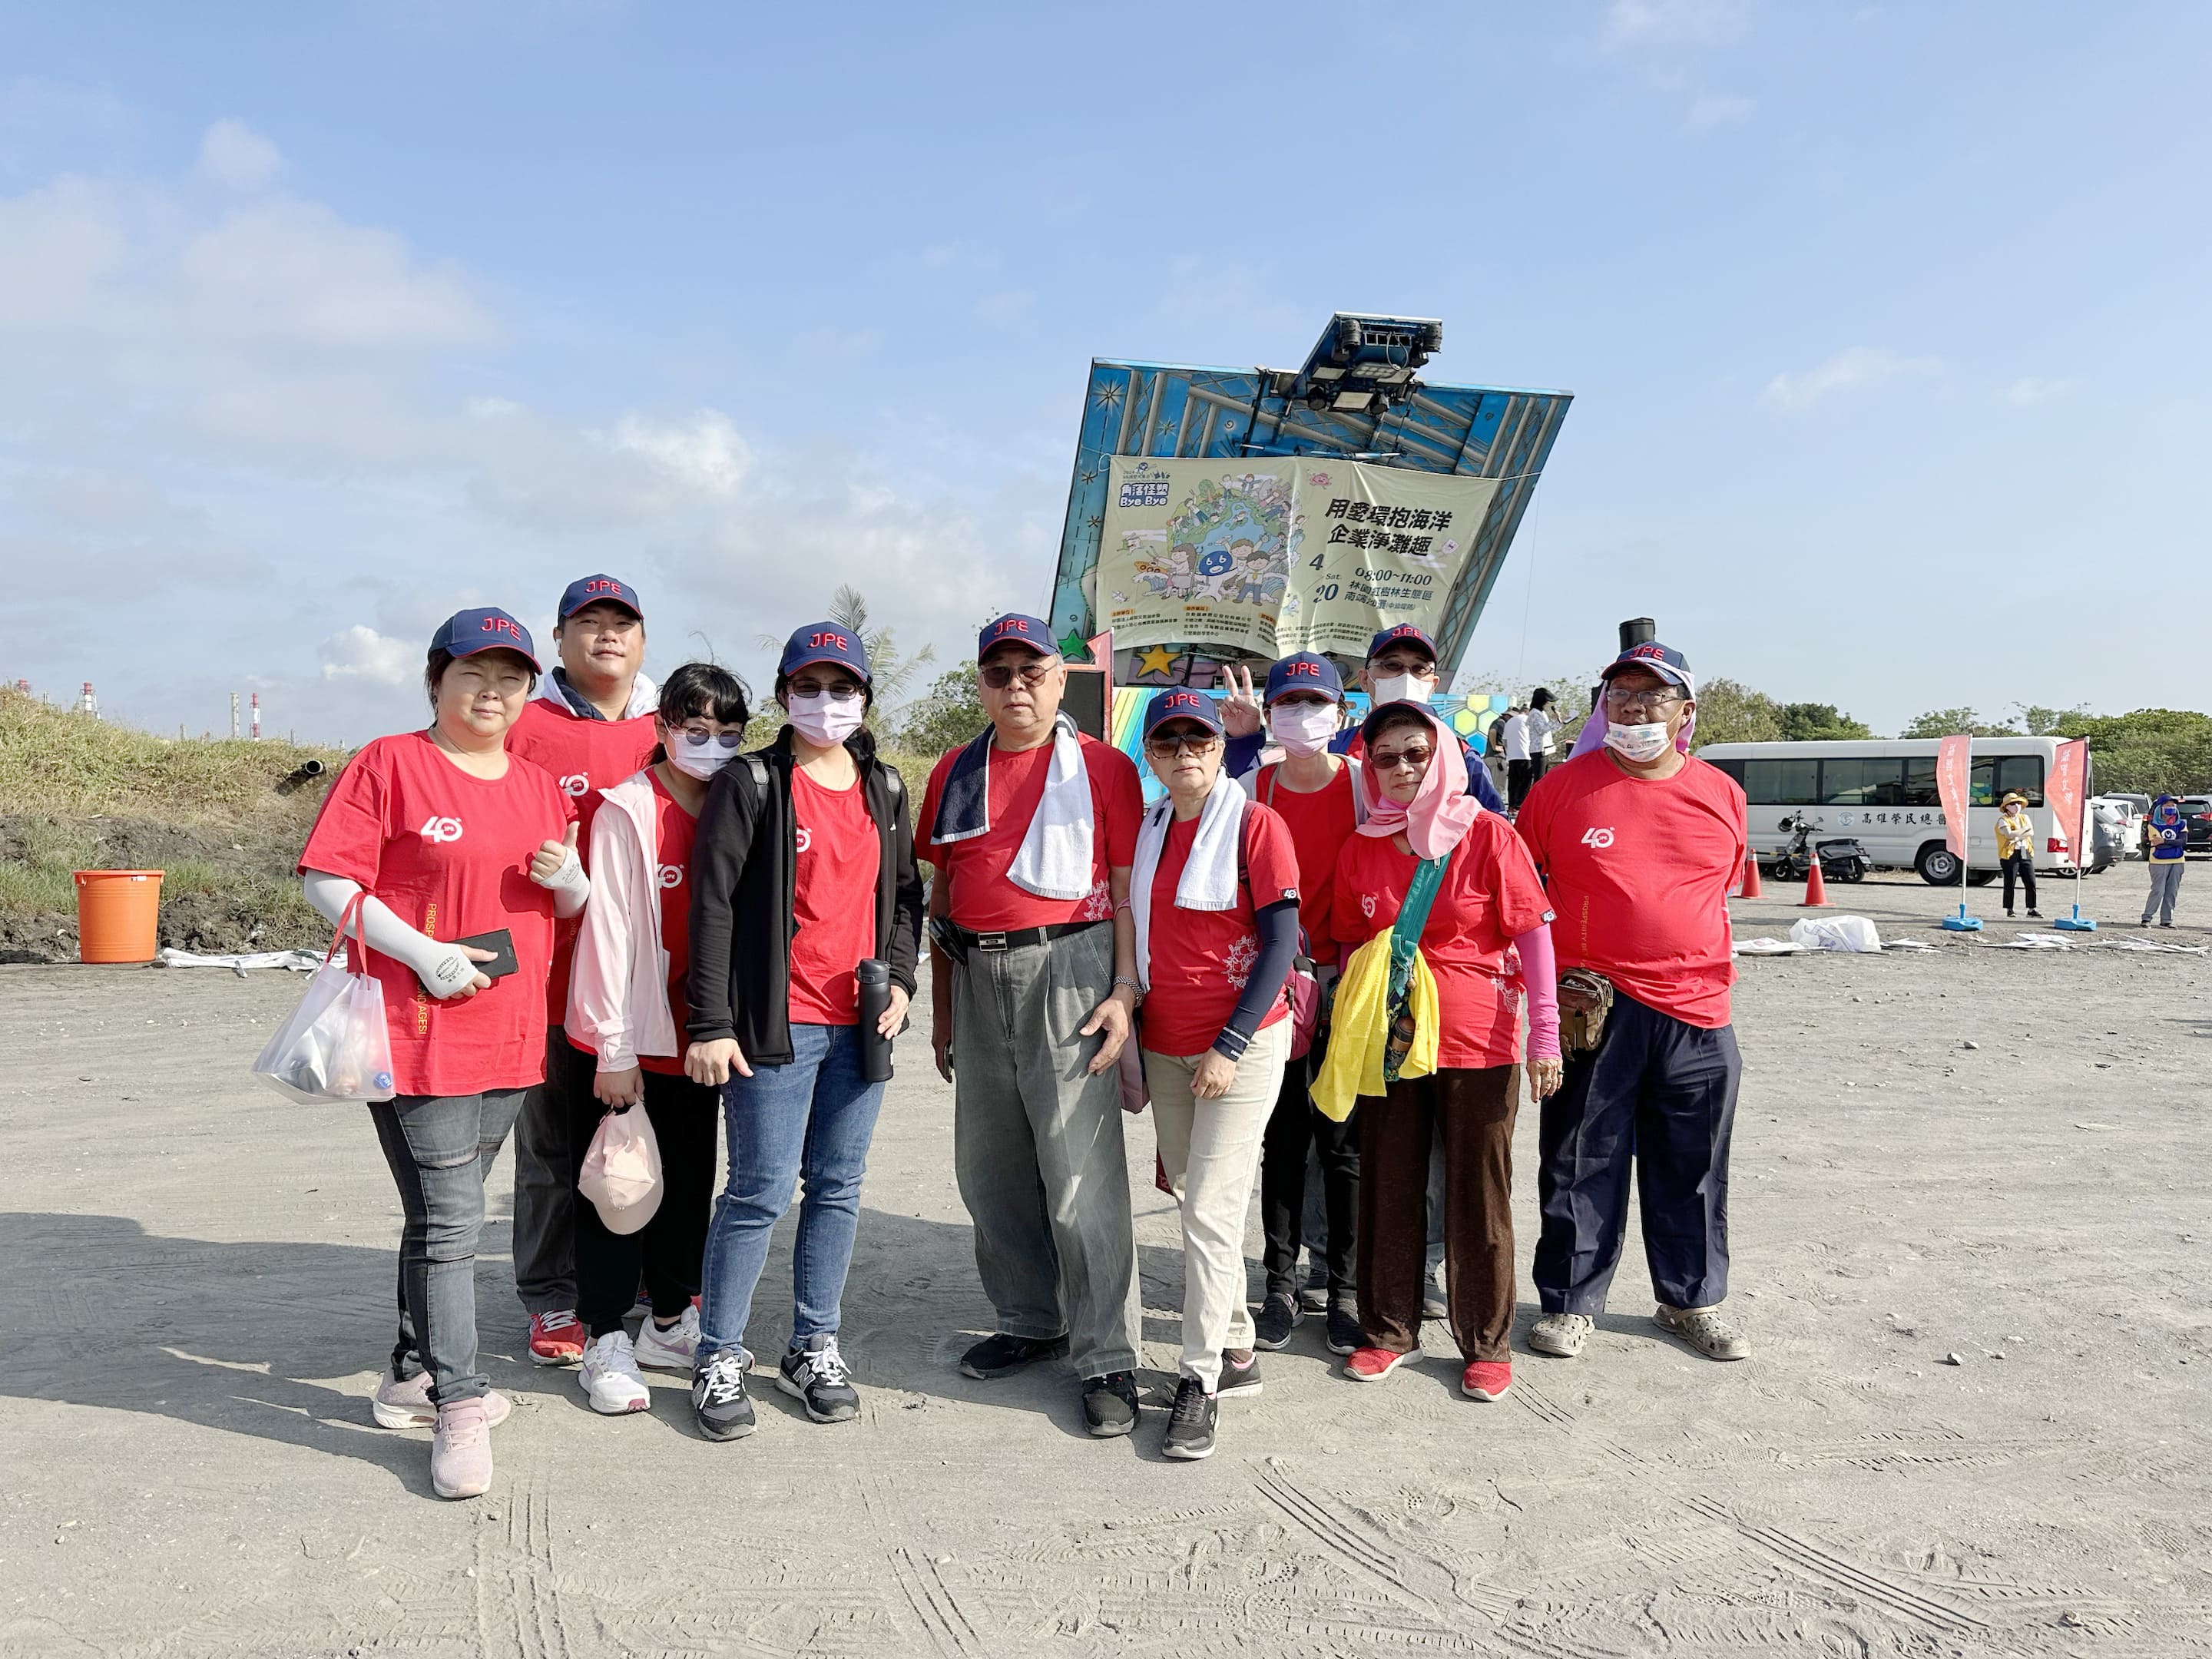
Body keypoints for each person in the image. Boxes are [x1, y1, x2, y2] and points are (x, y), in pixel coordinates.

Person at [298, 608, 588, 1500]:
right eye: (473, 674)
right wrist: (422, 952)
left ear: (530, 691)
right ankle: (459, 1404)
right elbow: (327, 877)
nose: (492, 692)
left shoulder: (543, 787)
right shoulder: (391, 764)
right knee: (456, 1225)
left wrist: (571, 883)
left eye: (510, 677)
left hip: (510, 1032)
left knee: (438, 1218)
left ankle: (409, 1374)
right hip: (417, 1031)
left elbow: (570, 906)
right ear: (437, 681)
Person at [683, 624, 925, 1439]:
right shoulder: (753, 782)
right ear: (785, 693)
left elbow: (905, 899)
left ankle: (813, 1343)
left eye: (844, 688)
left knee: (838, 1188)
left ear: (864, 698)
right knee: (756, 1191)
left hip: (859, 1024)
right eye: (811, 687)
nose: (829, 703)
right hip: (773, 1024)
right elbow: (711, 905)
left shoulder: (883, 787)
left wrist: (901, 981)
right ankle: (719, 1354)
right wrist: (712, 1022)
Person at [919, 614, 1148, 1438]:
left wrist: (1124, 988)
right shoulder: (955, 770)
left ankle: (1108, 1354)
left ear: (1061, 680)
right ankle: (1031, 1317)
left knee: (1080, 1175)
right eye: (999, 671)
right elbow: (943, 897)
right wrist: (944, 1012)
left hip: (1072, 966)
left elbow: (1126, 890)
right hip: (978, 971)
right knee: (992, 1166)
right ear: (981, 683)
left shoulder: (1103, 769)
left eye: (1031, 670)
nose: (1015, 685)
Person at [1515, 641, 1751, 1365]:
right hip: (1597, 1007)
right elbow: (1522, 892)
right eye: (1620, 696)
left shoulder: (1721, 792)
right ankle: (1571, 1303)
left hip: (1699, 1010)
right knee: (1582, 1159)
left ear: (1685, 711)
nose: (1635, 709)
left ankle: (1692, 1300)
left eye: (1652, 697)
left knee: (1694, 1164)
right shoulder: (1560, 790)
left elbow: (1720, 889)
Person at [1320, 702, 1561, 1401]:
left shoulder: (1487, 834)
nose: (1399, 769)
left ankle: (1487, 1341)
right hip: (1388, 1046)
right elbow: (1344, 943)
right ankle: (1389, 1328)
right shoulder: (1361, 842)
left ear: (1445, 758)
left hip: (1477, 1040)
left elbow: (1534, 939)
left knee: (1479, 1195)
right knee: (1389, 1185)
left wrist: (1543, 1036)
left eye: (1414, 753)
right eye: (1385, 757)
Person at [562, 663, 751, 1414]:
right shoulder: (626, 811)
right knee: (615, 1187)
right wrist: (613, 1049)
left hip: (699, 1036)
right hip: (629, 1037)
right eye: (694, 730)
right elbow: (605, 932)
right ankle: (604, 1336)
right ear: (663, 728)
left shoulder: (738, 808)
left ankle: (670, 1322)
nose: (709, 746)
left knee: (684, 1187)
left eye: (727, 735)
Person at [1131, 689, 1300, 1460]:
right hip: (1167, 1038)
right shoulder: (1153, 826)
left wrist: (1230, 1045)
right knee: (1194, 1196)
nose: (1186, 754)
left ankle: (1198, 1379)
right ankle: (1236, 1349)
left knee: (1211, 1212)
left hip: (1242, 1044)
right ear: (1154, 756)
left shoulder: (1256, 826)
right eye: (1168, 743)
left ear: (1216, 747)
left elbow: (1280, 946)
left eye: (1198, 739)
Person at [504, 575, 659, 1368]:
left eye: (622, 622)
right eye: (588, 622)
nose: (607, 635)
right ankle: (552, 1293)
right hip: (554, 979)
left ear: (642, 639)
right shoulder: (523, 728)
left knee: (645, 1141)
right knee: (555, 1151)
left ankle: (639, 1284)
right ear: (558, 639)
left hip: (652, 985)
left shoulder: (675, 726)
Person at [1241, 654, 1366, 1358]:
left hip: (1348, 989)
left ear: (1341, 714)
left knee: (1345, 1147)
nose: (1301, 716)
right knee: (1282, 1143)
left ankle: (1345, 1288)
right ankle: (1281, 1286)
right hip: (1276, 990)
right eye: (1287, 703)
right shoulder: (1252, 787)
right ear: (1269, 714)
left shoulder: (1364, 785)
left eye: (1316, 703)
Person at [1218, 624, 1508, 813]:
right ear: (1365, 679)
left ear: (1433, 684)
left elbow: (1494, 828)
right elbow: (1262, 801)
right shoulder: (1335, 748)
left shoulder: (1459, 755)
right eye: (1391, 666)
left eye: (1418, 669)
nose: (1405, 677)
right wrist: (1244, 743)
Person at [2142, 794, 2187, 926]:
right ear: (2160, 808)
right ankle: (2147, 917)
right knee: (2158, 890)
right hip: (2158, 861)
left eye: (2173, 805)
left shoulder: (2181, 824)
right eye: (2167, 805)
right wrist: (2171, 842)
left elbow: (2183, 841)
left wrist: (2165, 841)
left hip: (2177, 861)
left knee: (2172, 891)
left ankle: (2167, 920)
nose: (2171, 808)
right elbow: (2158, 844)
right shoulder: (2153, 825)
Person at [1995, 791, 2041, 919]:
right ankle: (2009, 909)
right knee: (2010, 881)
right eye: (2013, 804)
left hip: (2025, 851)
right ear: (2006, 807)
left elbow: (2030, 831)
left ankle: (2032, 909)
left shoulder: (2025, 817)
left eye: (2019, 803)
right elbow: (2008, 835)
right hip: (2010, 854)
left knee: (2031, 881)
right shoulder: (2003, 820)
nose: (2017, 806)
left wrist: (2016, 835)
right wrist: (2022, 831)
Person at [1502, 705, 1535, 809]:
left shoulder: (1510, 722)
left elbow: (1505, 741)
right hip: (1526, 755)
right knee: (1525, 783)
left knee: (1513, 783)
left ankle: (1512, 805)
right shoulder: (1528, 720)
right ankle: (1520, 805)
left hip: (1512, 757)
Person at [1526, 688, 1560, 783]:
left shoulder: (1542, 713)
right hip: (1538, 750)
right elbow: (1541, 730)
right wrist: (1553, 720)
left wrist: (1559, 721)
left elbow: (1549, 730)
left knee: (1543, 777)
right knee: (1539, 778)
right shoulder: (1535, 713)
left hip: (1544, 749)